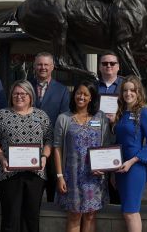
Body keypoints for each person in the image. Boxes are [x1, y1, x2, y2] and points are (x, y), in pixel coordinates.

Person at [0, 80, 53, 232]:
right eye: (16, 93)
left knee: (31, 217)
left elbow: (50, 138)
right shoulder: (2, 115)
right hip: (9, 173)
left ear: (30, 96)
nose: (19, 96)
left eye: (23, 93)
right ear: (11, 96)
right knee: (10, 217)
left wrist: (44, 157)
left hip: (35, 174)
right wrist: (2, 158)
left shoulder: (41, 115)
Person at [53, 81, 110, 232]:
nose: (81, 97)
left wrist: (103, 168)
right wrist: (59, 176)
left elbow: (106, 146)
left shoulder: (101, 118)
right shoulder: (64, 118)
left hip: (94, 176)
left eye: (85, 94)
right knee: (74, 215)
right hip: (72, 176)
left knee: (90, 215)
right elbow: (57, 147)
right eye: (79, 93)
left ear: (91, 97)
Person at [113, 75, 147, 232]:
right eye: (125, 90)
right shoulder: (121, 113)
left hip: (135, 168)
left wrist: (132, 161)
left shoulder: (143, 112)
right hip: (120, 168)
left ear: (139, 92)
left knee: (132, 211)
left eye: (132, 90)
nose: (128, 93)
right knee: (126, 211)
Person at [28, 51, 70, 202]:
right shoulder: (25, 86)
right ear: (34, 66)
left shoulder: (62, 90)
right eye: (39, 64)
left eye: (46, 64)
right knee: (32, 189)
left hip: (52, 146)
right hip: (28, 144)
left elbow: (64, 117)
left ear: (52, 67)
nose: (43, 67)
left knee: (52, 184)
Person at [96, 51, 123, 204]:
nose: (108, 66)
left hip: (119, 139)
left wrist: (117, 118)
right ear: (99, 67)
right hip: (97, 140)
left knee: (117, 189)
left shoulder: (126, 86)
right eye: (105, 63)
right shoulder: (93, 87)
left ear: (118, 67)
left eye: (112, 63)